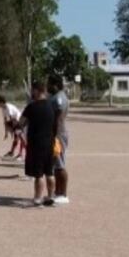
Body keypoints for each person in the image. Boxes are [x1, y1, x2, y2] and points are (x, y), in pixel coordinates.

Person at [19, 82, 57, 207]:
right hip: (50, 142)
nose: (31, 93)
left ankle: (38, 198)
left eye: (32, 90)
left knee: (38, 174)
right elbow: (55, 126)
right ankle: (51, 196)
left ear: (37, 90)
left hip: (36, 144)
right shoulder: (52, 106)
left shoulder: (32, 107)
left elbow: (21, 122)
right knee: (50, 172)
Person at [49, 76, 71, 205]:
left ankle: (64, 194)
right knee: (55, 165)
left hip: (58, 134)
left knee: (60, 164)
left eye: (49, 84)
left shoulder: (59, 97)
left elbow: (58, 117)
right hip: (55, 133)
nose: (47, 87)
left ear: (55, 84)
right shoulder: (56, 96)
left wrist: (53, 135)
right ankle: (57, 192)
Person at [0, 96, 26, 161]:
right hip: (14, 122)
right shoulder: (3, 109)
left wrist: (13, 129)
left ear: (1, 102)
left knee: (20, 138)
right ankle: (12, 152)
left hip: (19, 121)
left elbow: (13, 119)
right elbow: (5, 121)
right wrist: (6, 132)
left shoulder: (8, 107)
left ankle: (20, 154)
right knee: (17, 138)